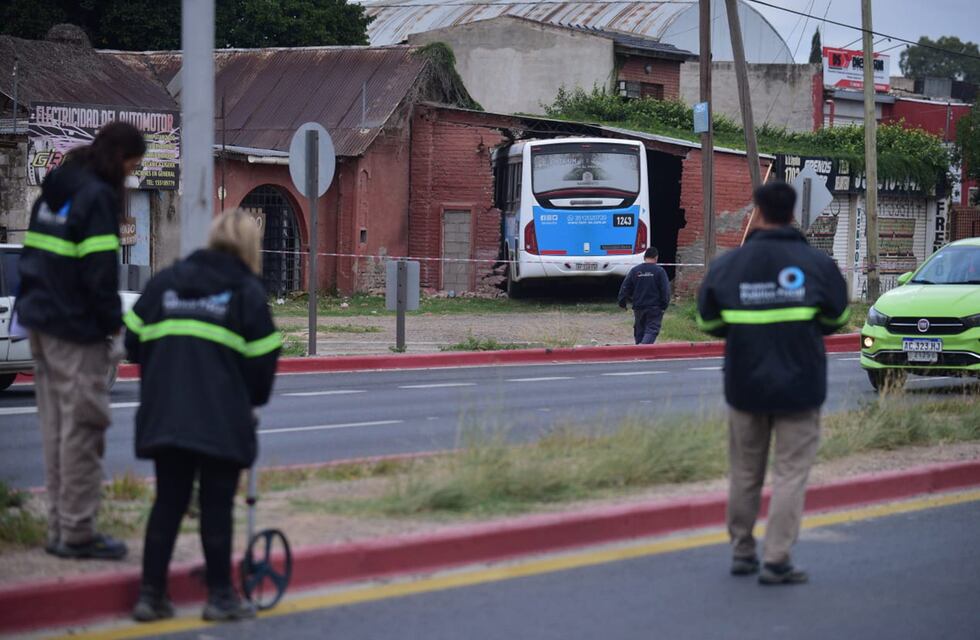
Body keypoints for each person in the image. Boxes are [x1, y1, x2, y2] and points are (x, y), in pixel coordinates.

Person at [124, 210, 281, 623]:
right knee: (215, 504)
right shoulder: (246, 292)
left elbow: (131, 341)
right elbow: (265, 362)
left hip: (166, 414)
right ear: (250, 247)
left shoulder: (165, 283)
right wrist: (250, 398)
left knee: (169, 502)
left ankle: (150, 595)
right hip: (220, 418)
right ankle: (220, 597)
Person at [696, 181, 849, 585]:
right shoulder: (818, 265)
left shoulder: (728, 266)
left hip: (745, 386)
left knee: (745, 471)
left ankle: (743, 551)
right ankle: (777, 558)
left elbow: (707, 322)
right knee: (790, 474)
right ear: (793, 213)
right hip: (801, 388)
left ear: (757, 212)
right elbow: (836, 320)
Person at [15, 122, 146, 560]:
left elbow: (32, 258)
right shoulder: (96, 199)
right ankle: (77, 532)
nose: (130, 176)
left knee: (55, 429)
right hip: (76, 330)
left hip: (40, 324)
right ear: (118, 157)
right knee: (84, 430)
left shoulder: (56, 192)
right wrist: (114, 325)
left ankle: (59, 525)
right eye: (132, 165)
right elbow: (99, 274)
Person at [618, 246, 671, 344]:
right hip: (654, 308)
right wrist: (664, 305)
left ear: (644, 257)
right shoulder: (659, 271)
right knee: (652, 330)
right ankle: (642, 349)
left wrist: (622, 301)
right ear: (656, 257)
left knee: (639, 331)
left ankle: (639, 350)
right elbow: (665, 291)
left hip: (638, 307)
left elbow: (625, 287)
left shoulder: (635, 270)